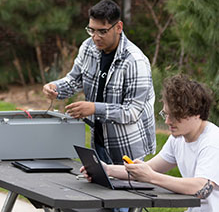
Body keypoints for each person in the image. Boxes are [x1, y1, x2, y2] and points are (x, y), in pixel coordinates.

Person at [43, 0, 156, 164]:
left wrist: (94, 108)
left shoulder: (135, 60)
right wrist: (54, 87)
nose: (95, 37)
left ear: (118, 27)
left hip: (128, 148)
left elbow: (132, 112)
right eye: (91, 30)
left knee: (124, 190)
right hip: (98, 143)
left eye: (102, 31)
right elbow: (74, 80)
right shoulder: (88, 47)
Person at [85, 74, 219, 212]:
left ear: (197, 114)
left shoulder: (212, 142)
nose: (167, 121)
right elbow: (151, 168)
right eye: (166, 114)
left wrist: (151, 177)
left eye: (174, 116)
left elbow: (201, 187)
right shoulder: (178, 138)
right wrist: (107, 170)